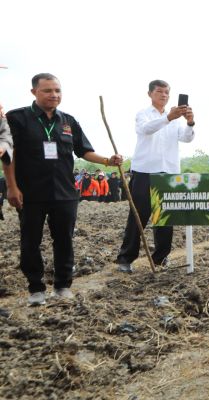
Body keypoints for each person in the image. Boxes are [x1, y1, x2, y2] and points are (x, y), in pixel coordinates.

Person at [6, 73, 122, 305]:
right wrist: (12, 187)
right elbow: (9, 155)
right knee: (30, 240)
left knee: (64, 240)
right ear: (34, 92)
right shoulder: (17, 118)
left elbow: (84, 151)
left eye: (57, 90)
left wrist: (109, 161)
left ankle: (62, 286)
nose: (54, 95)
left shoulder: (68, 121)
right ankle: (36, 289)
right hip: (30, 193)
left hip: (64, 192)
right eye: (48, 90)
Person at [116, 80, 195, 272]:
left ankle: (161, 257)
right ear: (150, 94)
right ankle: (126, 258)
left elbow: (186, 138)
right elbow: (146, 129)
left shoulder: (175, 117)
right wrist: (168, 117)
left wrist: (190, 122)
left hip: (168, 172)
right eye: (159, 92)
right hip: (144, 171)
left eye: (167, 92)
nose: (164, 95)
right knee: (138, 216)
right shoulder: (143, 114)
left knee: (165, 218)